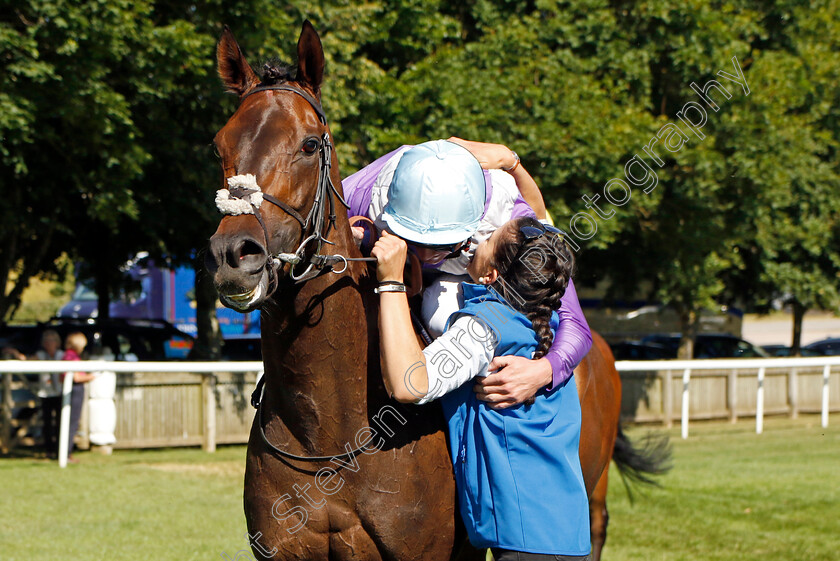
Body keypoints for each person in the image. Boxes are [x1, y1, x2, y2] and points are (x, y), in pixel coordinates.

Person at [372, 217, 591, 560]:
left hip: (524, 543)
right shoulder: (549, 318)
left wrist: (390, 283)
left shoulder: (483, 328)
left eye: (489, 238)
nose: (478, 238)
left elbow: (409, 385)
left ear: (490, 276)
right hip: (559, 531)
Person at [342, 138, 592, 407]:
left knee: (443, 314)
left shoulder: (510, 223)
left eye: (444, 245)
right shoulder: (356, 195)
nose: (427, 257)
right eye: (416, 241)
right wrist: (363, 236)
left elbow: (576, 324)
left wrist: (543, 371)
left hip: (466, 287)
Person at [2, 329, 65, 455]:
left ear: (57, 342)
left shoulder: (62, 355)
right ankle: (49, 449)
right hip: (46, 393)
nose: (48, 344)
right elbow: (26, 360)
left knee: (60, 422)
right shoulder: (41, 355)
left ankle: (61, 448)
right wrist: (15, 353)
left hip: (59, 392)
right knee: (46, 422)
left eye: (51, 341)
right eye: (46, 341)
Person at [62, 331, 95, 461]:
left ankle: (66, 453)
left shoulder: (68, 355)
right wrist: (92, 376)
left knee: (70, 422)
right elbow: (76, 377)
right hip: (75, 390)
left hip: (70, 389)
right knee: (72, 422)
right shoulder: (72, 357)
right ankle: (66, 454)